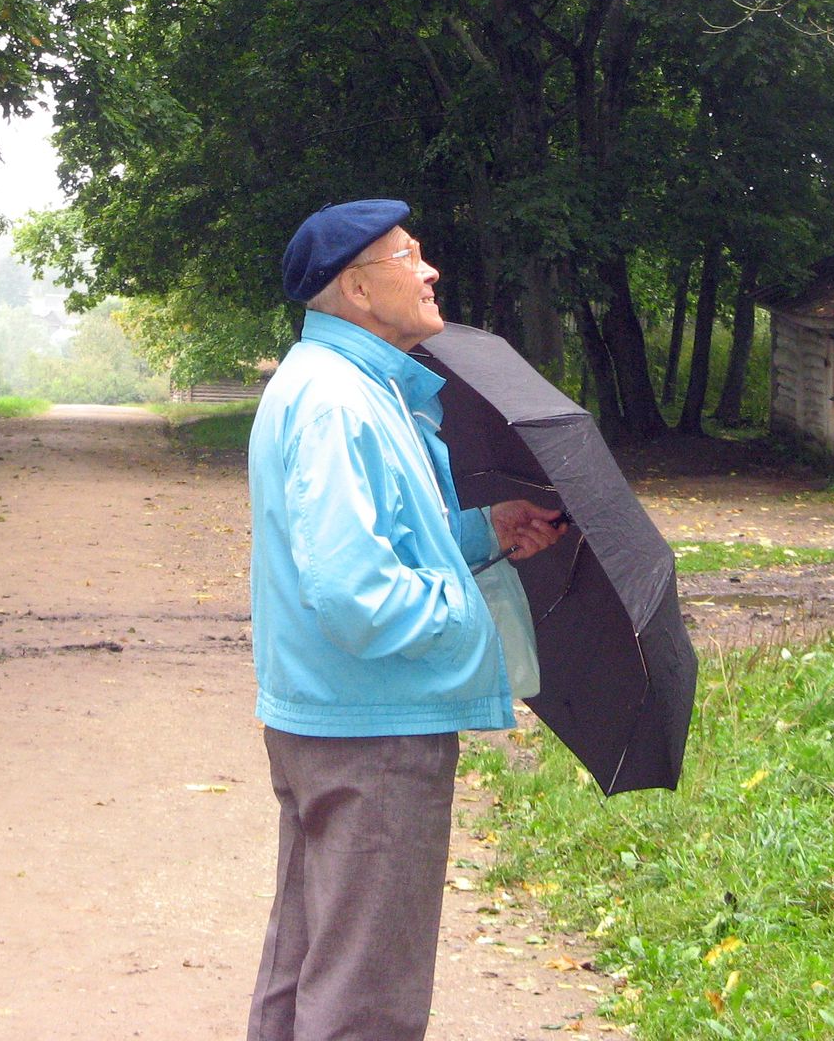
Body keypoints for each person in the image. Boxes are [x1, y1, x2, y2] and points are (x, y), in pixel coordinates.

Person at [245, 199, 567, 1041]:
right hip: (375, 726)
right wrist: (465, 620)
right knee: (366, 993)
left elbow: (388, 538)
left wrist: (484, 530)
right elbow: (354, 590)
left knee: (311, 954)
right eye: (409, 256)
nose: (429, 272)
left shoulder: (347, 386)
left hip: (333, 711)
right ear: (357, 286)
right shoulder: (340, 403)